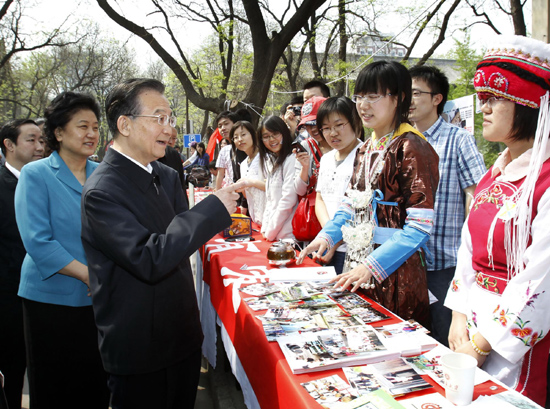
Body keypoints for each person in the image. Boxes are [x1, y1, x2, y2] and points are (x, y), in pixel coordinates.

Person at [81, 78, 243, 409]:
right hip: (140, 348)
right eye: (159, 118)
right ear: (124, 125)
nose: (169, 129)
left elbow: (179, 246)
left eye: (170, 118)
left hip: (181, 336)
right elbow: (149, 256)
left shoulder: (165, 175)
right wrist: (212, 209)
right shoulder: (102, 191)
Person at [444, 36, 550, 407]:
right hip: (472, 325)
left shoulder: (547, 177)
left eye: (494, 98)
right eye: (483, 98)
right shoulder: (497, 171)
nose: (483, 107)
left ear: (527, 105)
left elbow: (540, 279)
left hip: (517, 340)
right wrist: (458, 319)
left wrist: (482, 342)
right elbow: (467, 250)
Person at [298, 61, 439, 327]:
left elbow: (420, 227)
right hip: (359, 265)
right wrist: (327, 236)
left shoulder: (412, 148)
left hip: (395, 272)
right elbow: (350, 204)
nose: (363, 105)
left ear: (398, 99)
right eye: (360, 97)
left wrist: (372, 265)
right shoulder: (366, 149)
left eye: (374, 96)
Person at [14, 92, 110, 408]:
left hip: (97, 301)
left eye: (95, 127)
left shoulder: (103, 174)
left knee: (95, 384)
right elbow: (38, 241)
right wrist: (89, 276)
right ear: (58, 133)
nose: (92, 134)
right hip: (49, 300)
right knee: (55, 388)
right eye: (82, 126)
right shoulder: (35, 174)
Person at [408, 65, 486, 346]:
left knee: (445, 340)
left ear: (437, 98)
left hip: (444, 265)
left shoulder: (458, 139)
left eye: (416, 93)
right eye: (407, 93)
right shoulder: (403, 140)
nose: (410, 99)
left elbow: (478, 195)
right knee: (412, 340)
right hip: (406, 264)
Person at [0, 119, 44, 409]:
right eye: (31, 140)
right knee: (13, 376)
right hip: (10, 303)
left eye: (42, 140)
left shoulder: (47, 182)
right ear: (9, 145)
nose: (40, 146)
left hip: (50, 301)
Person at [314, 96, 364, 274]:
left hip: (354, 250)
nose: (332, 133)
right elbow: (319, 199)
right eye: (326, 128)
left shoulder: (366, 156)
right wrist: (329, 236)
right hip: (325, 245)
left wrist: (333, 241)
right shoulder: (327, 158)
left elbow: (361, 209)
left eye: (338, 125)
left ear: (355, 121)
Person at [258, 115, 299, 241]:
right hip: (273, 235)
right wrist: (265, 229)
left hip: (288, 237)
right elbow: (270, 201)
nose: (271, 140)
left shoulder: (292, 159)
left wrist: (270, 232)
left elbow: (288, 200)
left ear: (284, 133)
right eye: (266, 137)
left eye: (275, 134)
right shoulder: (271, 161)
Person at [294, 95, 332, 198]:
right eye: (307, 125)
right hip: (316, 209)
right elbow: (299, 191)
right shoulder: (306, 146)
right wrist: (305, 168)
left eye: (316, 123)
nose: (313, 129)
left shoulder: (344, 144)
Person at [232, 120, 266, 225]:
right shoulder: (243, 165)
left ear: (253, 134)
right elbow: (249, 195)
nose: (240, 139)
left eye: (243, 134)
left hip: (273, 218)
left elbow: (274, 187)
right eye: (236, 137)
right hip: (256, 219)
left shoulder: (265, 158)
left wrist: (250, 182)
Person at [215, 111, 239, 190]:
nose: (223, 128)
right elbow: (220, 174)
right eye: (220, 126)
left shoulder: (245, 146)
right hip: (231, 192)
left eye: (226, 124)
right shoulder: (224, 150)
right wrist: (217, 193)